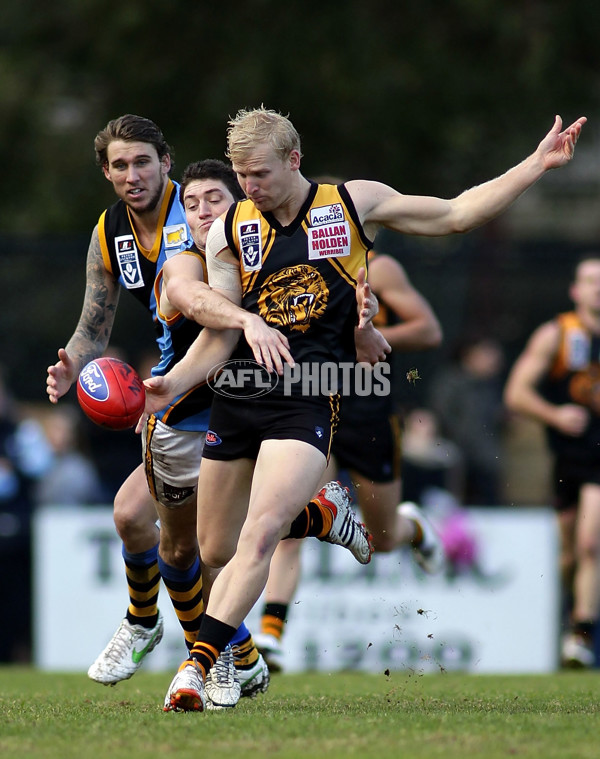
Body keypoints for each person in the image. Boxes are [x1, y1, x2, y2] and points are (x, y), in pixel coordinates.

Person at [141, 106, 585, 712]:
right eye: (242, 176)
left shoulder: (352, 203)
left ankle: (197, 669)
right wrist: (173, 382)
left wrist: (535, 164)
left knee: (264, 532)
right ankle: (324, 518)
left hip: (312, 394)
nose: (248, 189)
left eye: (260, 175)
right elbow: (218, 333)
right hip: (239, 399)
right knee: (214, 553)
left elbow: (455, 214)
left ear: (294, 159)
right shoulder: (231, 228)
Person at [45, 114, 194, 684]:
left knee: (210, 541)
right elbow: (93, 327)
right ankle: (147, 623)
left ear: (165, 162)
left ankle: (227, 653)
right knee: (134, 518)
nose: (132, 175)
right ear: (106, 173)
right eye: (119, 165)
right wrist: (71, 363)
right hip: (172, 386)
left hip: (232, 381)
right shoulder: (110, 233)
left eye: (142, 162)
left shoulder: (204, 208)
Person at [253, 251, 445, 671]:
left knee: (383, 538)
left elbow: (429, 331)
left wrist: (367, 331)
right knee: (290, 518)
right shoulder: (288, 267)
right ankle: (271, 634)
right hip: (312, 406)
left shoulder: (380, 268)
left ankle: (412, 528)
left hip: (368, 410)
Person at [504, 254, 600, 668]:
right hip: (569, 458)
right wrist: (555, 415)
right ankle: (570, 617)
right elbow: (516, 393)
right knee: (569, 553)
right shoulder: (558, 334)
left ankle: (581, 635)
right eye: (591, 281)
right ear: (576, 291)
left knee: (589, 542)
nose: (598, 288)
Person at [428, 336, 506, 505]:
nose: (494, 361)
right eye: (487, 354)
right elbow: (442, 415)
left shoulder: (492, 386)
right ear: (470, 354)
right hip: (456, 458)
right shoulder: (450, 382)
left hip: (486, 460)